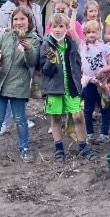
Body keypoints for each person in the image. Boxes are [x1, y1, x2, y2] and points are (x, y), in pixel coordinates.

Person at [0, 7, 41, 162]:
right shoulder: (6, 37)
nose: (19, 22)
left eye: (22, 19)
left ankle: (24, 149)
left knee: (20, 119)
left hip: (19, 86)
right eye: (16, 19)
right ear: (12, 22)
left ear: (29, 22)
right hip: (0, 84)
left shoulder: (34, 40)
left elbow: (31, 62)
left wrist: (28, 48)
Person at [39, 12, 98, 163]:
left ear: (67, 28)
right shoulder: (46, 44)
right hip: (54, 88)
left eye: (61, 26)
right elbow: (44, 70)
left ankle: (83, 146)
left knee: (77, 116)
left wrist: (78, 82)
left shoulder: (71, 44)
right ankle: (59, 148)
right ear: (50, 28)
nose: (57, 29)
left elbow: (77, 64)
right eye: (54, 26)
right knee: (56, 117)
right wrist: (51, 61)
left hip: (71, 86)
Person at [0, 0, 42, 134]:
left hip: (30, 48)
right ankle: (4, 123)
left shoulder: (35, 7)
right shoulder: (8, 8)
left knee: (23, 85)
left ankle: (20, 116)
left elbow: (39, 29)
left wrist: (39, 43)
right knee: (8, 85)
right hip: (11, 51)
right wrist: (9, 32)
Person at [80, 20, 110, 145]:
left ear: (99, 32)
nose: (91, 34)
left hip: (102, 83)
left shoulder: (105, 47)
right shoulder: (82, 46)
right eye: (88, 32)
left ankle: (104, 134)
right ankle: (89, 133)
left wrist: (103, 70)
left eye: (94, 32)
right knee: (88, 109)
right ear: (84, 34)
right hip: (89, 82)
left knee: (104, 107)